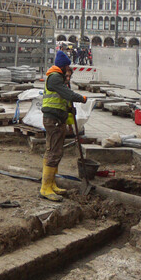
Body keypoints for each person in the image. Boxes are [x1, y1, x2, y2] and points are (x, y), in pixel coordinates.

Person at [40, 50, 87, 202]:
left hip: (56, 119)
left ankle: (51, 183)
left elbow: (62, 99)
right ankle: (45, 187)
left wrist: (68, 111)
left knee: (55, 152)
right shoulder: (54, 78)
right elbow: (68, 95)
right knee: (54, 152)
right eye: (67, 67)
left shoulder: (57, 78)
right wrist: (83, 98)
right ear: (64, 66)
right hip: (52, 120)